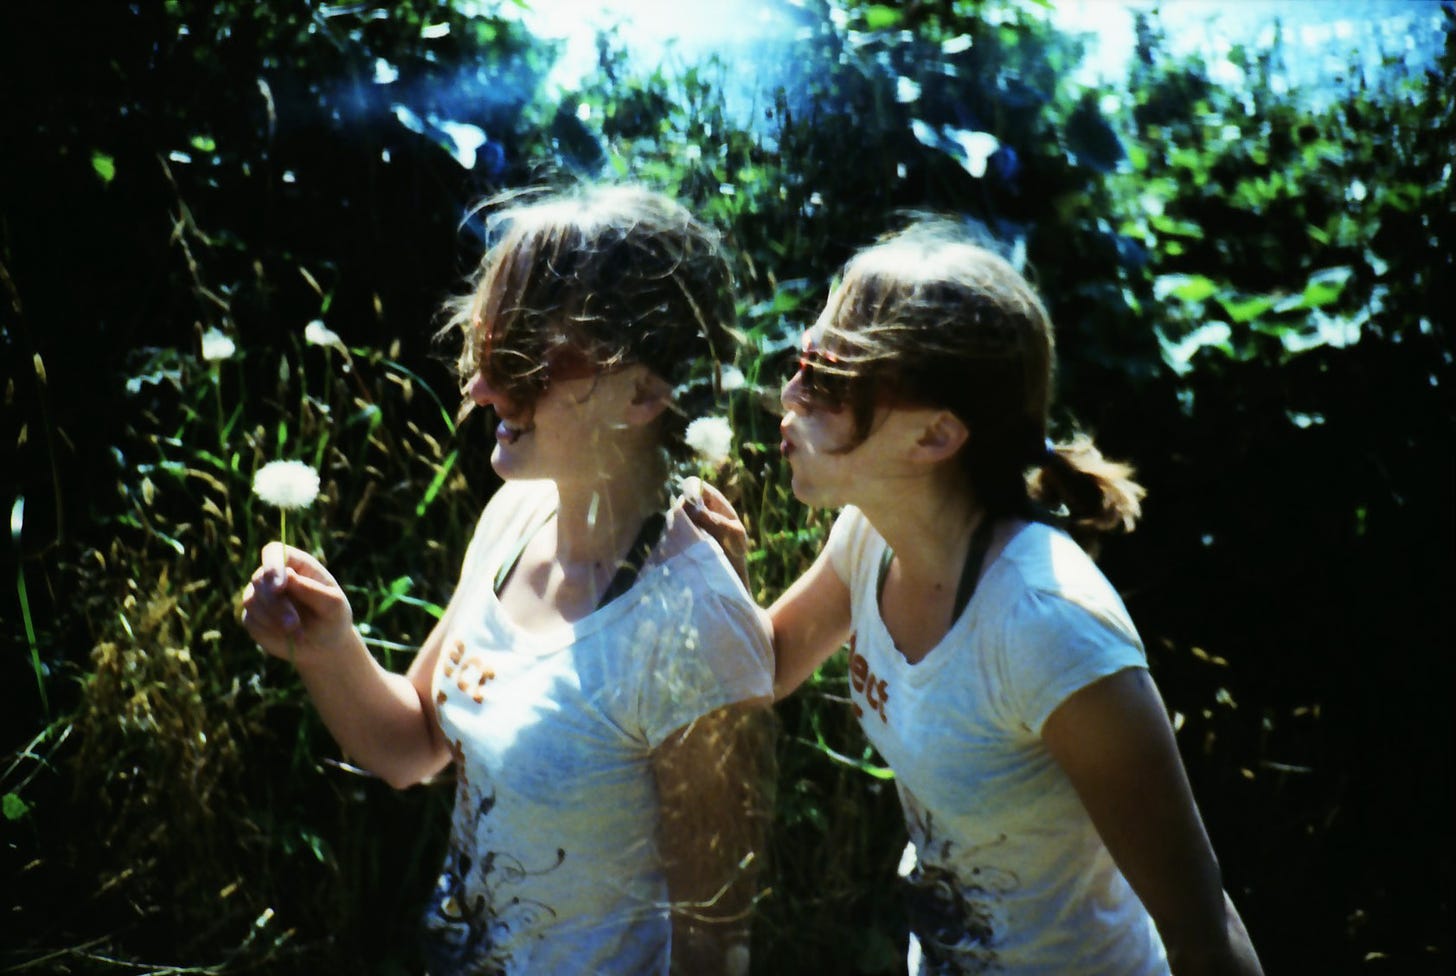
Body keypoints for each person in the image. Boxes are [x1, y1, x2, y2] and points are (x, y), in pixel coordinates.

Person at [689, 220, 1263, 975]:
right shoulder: (868, 540)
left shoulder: (1047, 626)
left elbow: (1202, 927)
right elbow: (767, 666)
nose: (787, 397)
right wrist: (711, 568)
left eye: (827, 380)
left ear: (934, 437)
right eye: (801, 361)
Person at [242, 185, 775, 976]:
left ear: (644, 393)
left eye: (526, 362)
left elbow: (714, 939)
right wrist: (328, 647)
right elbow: (412, 748)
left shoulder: (693, 624)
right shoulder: (514, 518)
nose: (482, 388)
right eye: (486, 348)